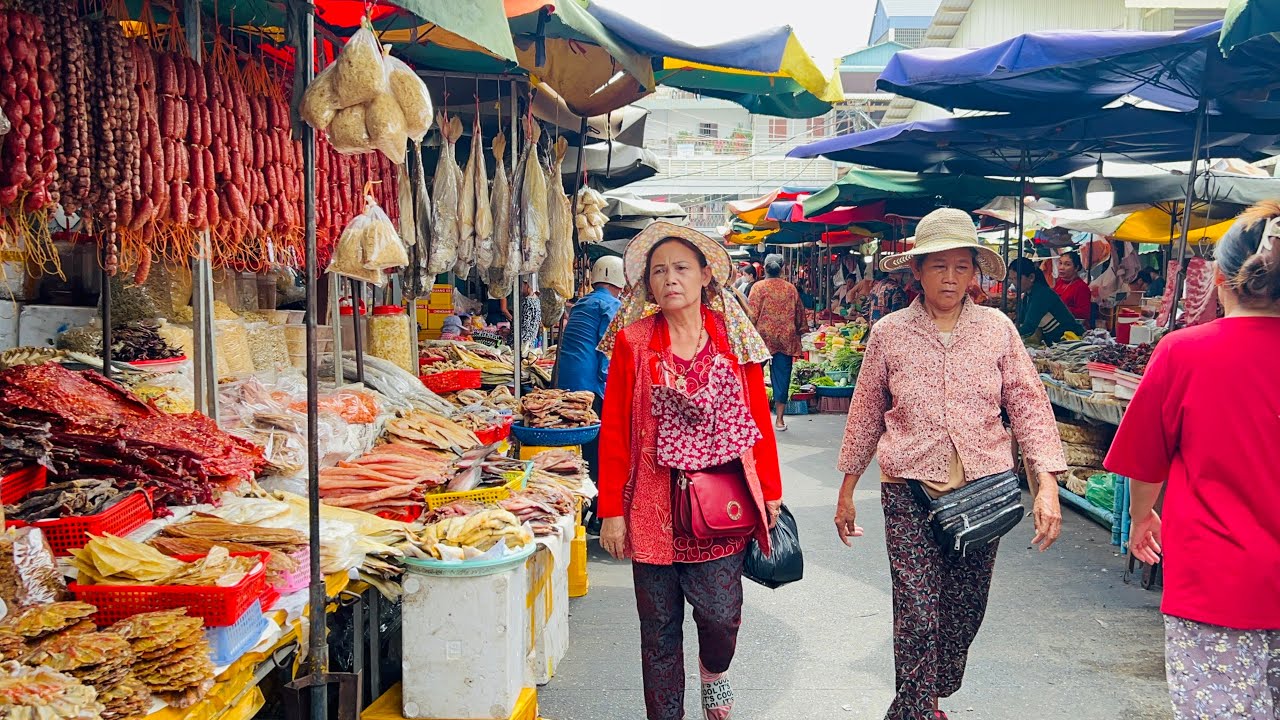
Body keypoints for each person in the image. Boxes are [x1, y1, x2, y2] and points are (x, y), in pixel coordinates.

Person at [833, 208, 1066, 720]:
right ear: (917, 270)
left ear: (975, 273)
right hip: (908, 489)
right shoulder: (890, 333)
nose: (951, 278)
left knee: (964, 611)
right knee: (917, 613)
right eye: (939, 266)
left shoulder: (997, 329)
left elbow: (1029, 405)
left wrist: (1046, 484)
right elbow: (866, 412)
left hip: (983, 490)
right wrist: (847, 489)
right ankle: (920, 710)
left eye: (962, 267)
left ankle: (923, 697)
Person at [597, 222, 783, 720]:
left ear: (705, 275)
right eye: (659, 271)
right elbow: (614, 429)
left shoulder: (731, 337)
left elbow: (758, 417)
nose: (670, 279)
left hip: (721, 504)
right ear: (648, 284)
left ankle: (713, 670)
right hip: (651, 507)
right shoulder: (634, 342)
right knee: (657, 632)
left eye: (681, 268)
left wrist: (770, 489)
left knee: (721, 617)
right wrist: (611, 510)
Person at [1104, 201, 1280, 720]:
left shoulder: (1184, 351)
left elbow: (1146, 459)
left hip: (1215, 581)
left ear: (1219, 280)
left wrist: (1141, 518)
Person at [556, 256, 624, 485]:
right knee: (594, 442)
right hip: (588, 385)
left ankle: (577, 483)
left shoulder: (582, 303)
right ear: (619, 280)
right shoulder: (611, 305)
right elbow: (608, 351)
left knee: (573, 436)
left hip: (566, 378)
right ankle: (593, 491)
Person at [746, 258, 807, 432]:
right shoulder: (790, 288)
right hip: (785, 339)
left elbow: (751, 314)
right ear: (782, 269)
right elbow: (799, 314)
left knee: (754, 376)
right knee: (782, 378)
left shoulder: (758, 287)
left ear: (765, 269)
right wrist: (800, 329)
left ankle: (756, 417)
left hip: (762, 338)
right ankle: (779, 420)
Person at [1008, 257, 1084, 345]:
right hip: (1056, 342)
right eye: (1011, 279)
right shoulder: (1028, 295)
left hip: (1071, 340)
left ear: (1031, 277)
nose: (1014, 283)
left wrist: (1005, 334)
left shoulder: (1041, 294)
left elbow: (1028, 327)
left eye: (1016, 278)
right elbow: (1021, 319)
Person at [1054, 251, 1091, 322]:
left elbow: (1084, 314)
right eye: (1060, 263)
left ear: (1076, 268)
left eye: (1067, 264)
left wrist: (1061, 308)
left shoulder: (1081, 287)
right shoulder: (1059, 282)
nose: (1061, 267)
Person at [517, 279, 541, 352]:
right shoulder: (537, 300)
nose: (521, 289)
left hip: (523, 341)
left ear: (527, 285)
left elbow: (524, 323)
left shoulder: (527, 301)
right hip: (532, 339)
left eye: (522, 286)